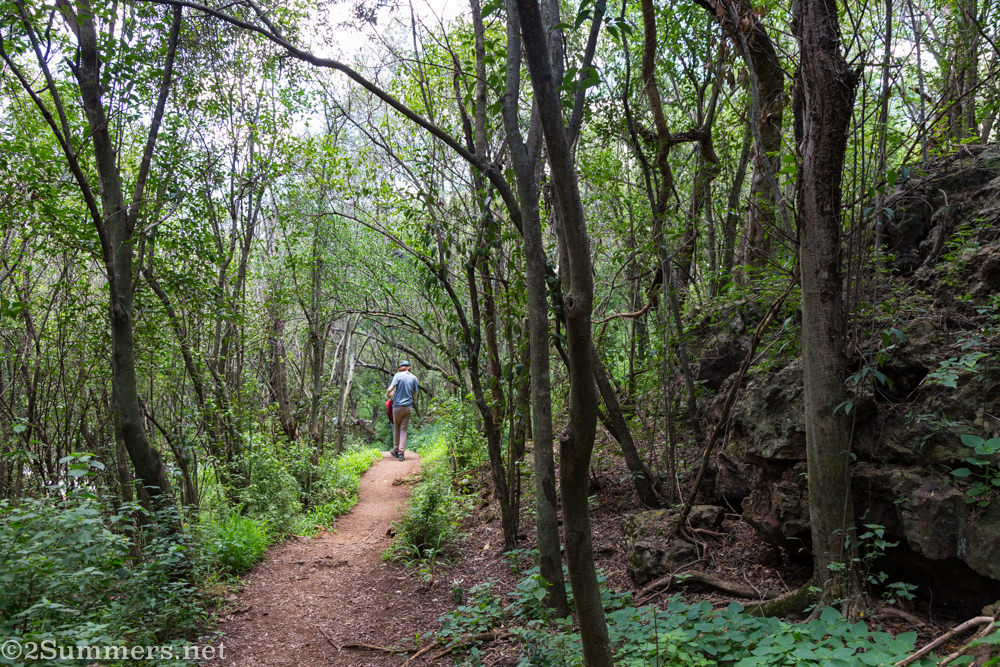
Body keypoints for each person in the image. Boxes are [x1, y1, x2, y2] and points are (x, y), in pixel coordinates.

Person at [386, 360, 418, 460]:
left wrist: (389, 395)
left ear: (401, 367)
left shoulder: (398, 375)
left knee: (396, 428)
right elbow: (414, 393)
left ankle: (395, 450)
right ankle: (401, 453)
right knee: (403, 430)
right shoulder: (414, 378)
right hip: (407, 407)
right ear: (409, 367)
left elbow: (389, 389)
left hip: (397, 407)